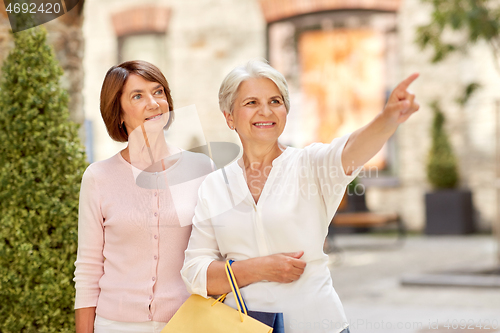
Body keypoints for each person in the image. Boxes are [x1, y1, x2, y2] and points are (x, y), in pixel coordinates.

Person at [181, 59, 419, 333]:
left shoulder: (311, 164)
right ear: (229, 117)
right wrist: (257, 269)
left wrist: (387, 120)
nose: (266, 111)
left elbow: (351, 149)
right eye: (251, 103)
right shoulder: (214, 185)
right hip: (241, 327)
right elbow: (195, 272)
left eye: (275, 101)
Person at [73, 60, 217, 333]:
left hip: (188, 322)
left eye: (158, 92)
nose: (153, 102)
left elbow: (214, 253)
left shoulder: (201, 168)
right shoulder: (98, 177)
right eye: (137, 96)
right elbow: (88, 269)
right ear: (119, 113)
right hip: (115, 325)